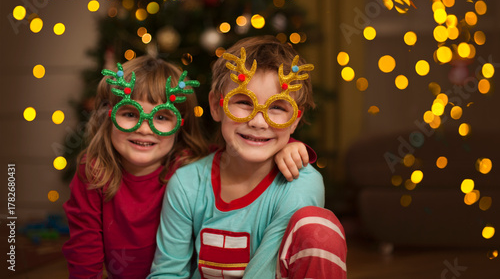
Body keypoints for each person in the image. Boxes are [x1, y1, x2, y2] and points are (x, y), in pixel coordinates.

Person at [62, 55, 314, 278]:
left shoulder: (190, 166)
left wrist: (288, 145)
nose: (144, 127)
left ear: (180, 123)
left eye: (161, 117)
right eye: (129, 113)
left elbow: (245, 150)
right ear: (109, 114)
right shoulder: (93, 172)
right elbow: (85, 248)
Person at [149, 36, 347, 278]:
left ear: (295, 119)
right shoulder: (187, 183)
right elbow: (168, 272)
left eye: (277, 107)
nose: (258, 122)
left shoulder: (300, 184)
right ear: (215, 105)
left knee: (317, 226)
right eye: (244, 102)